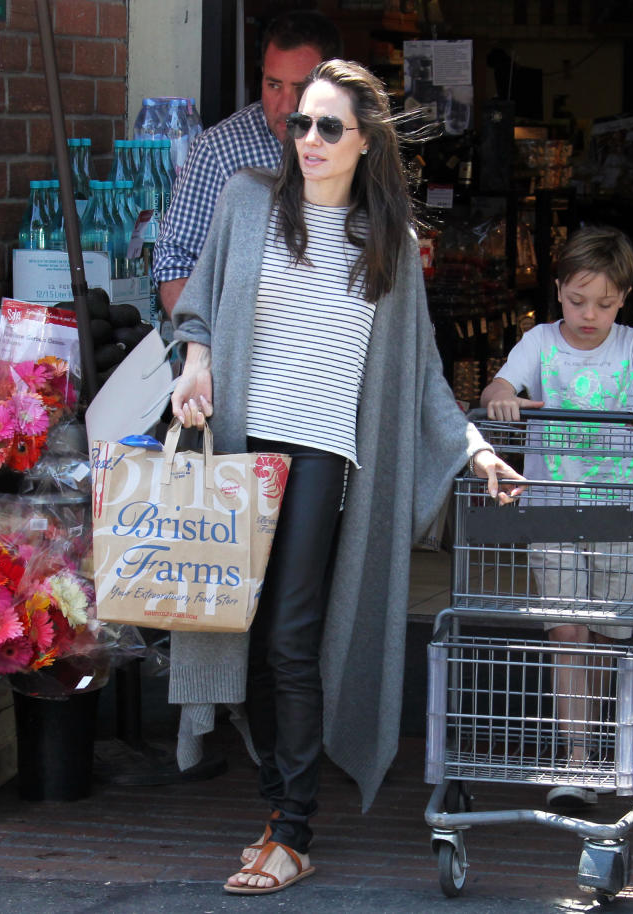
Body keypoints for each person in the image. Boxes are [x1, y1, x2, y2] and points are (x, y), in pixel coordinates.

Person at [169, 59, 525, 895]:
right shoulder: (248, 202)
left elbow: (423, 375)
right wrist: (195, 359)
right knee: (244, 629)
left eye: (331, 127)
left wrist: (473, 448)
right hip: (238, 449)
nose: (311, 140)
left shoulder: (388, 243)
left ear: (366, 143)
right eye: (300, 124)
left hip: (325, 451)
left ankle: (294, 830)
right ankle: (274, 810)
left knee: (293, 630)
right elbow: (199, 306)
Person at [480, 224, 633, 809]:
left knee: (604, 633)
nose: (589, 314)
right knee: (567, 629)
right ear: (558, 291)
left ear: (623, 298)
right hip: (552, 505)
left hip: (619, 512)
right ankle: (575, 757)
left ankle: (594, 744)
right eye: (577, 301)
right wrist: (502, 396)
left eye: (603, 302)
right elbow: (501, 383)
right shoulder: (539, 341)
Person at [152, 9, 342, 316]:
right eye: (274, 85)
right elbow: (176, 260)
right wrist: (207, 346)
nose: (285, 106)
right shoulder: (220, 150)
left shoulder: (357, 146)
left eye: (301, 88)